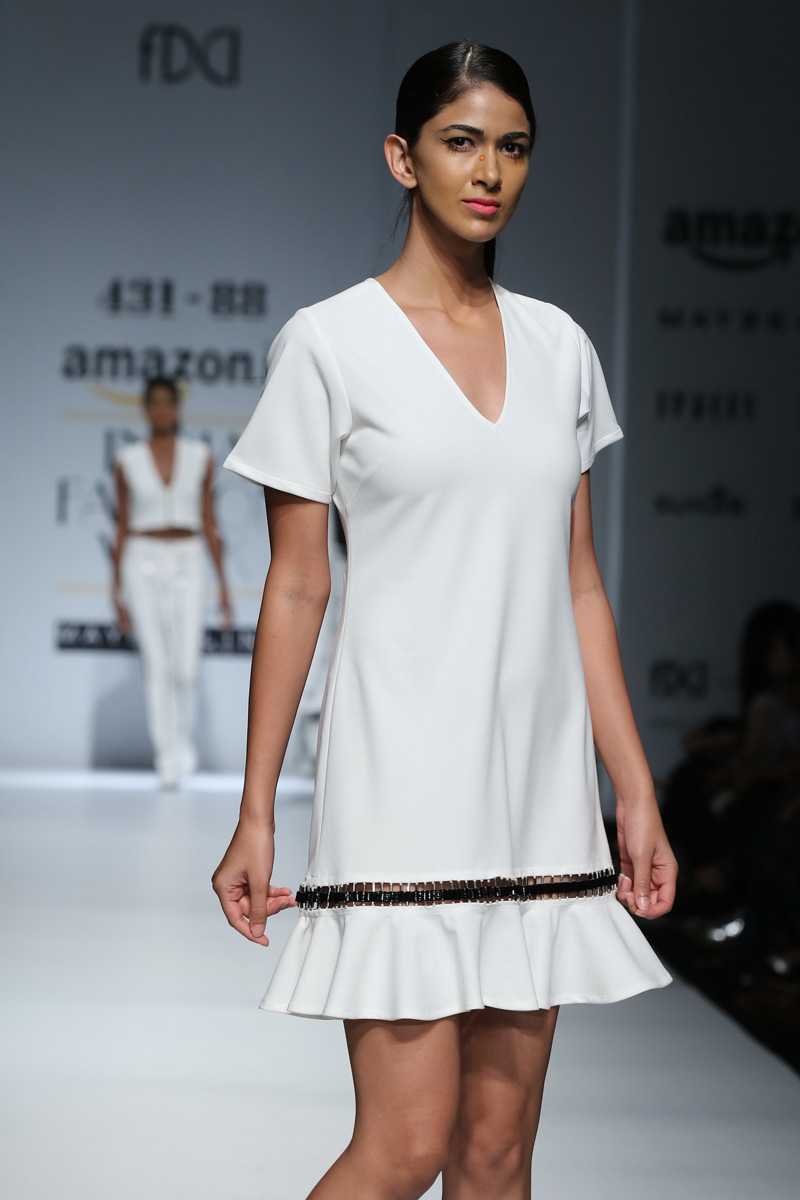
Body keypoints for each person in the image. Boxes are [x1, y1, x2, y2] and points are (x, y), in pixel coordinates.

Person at [212, 42, 676, 1200]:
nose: (488, 171)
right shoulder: (328, 343)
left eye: (511, 147)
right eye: (459, 142)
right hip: (400, 778)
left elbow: (577, 582)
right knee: (403, 1149)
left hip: (535, 789)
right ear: (400, 157)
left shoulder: (560, 347)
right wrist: (256, 811)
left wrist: (631, 789)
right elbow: (297, 587)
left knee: (495, 1155)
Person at [112, 376, 232, 788]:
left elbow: (211, 522)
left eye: (168, 402)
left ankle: (182, 743)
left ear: (177, 408)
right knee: (157, 663)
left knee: (187, 664)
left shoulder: (200, 457)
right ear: (145, 409)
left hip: (188, 555)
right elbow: (121, 526)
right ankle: (166, 755)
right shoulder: (127, 460)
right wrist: (115, 590)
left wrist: (224, 586)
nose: (162, 410)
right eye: (155, 402)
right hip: (140, 557)